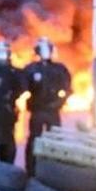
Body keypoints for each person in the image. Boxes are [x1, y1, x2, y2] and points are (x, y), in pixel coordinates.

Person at [22, 37, 72, 173]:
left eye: (47, 49)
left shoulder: (60, 69)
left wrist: (60, 102)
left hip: (53, 111)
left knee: (55, 140)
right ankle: (31, 170)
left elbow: (68, 88)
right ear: (37, 51)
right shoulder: (30, 69)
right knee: (34, 139)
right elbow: (23, 87)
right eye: (42, 49)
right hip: (37, 111)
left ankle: (54, 170)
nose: (45, 52)